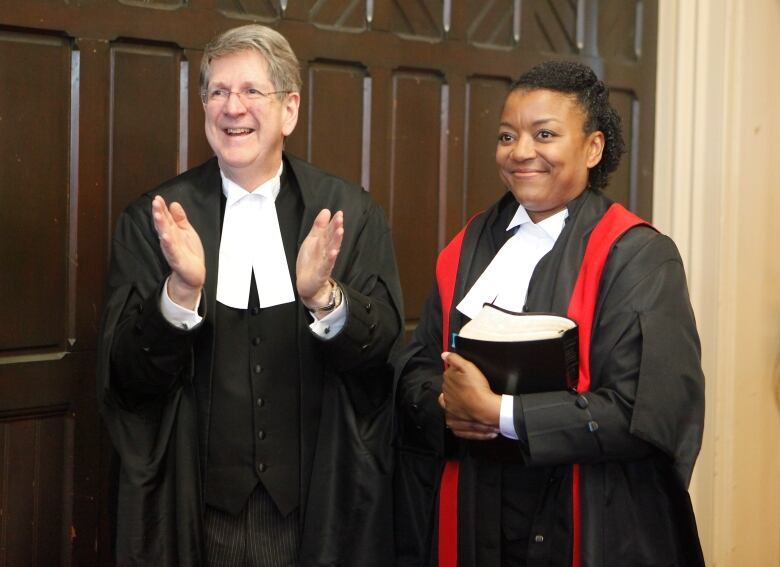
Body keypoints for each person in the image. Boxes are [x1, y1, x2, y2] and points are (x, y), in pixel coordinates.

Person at [97, 24, 403, 567]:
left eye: (250, 91)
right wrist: (179, 294)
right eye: (217, 92)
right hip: (195, 510)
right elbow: (126, 378)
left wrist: (323, 296)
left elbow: (381, 361)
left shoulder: (348, 215)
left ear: (289, 110)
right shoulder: (158, 219)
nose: (231, 107)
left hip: (313, 509)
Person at [394, 60, 705, 567]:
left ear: (593, 147)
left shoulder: (639, 256)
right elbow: (417, 368)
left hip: (589, 522)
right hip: (476, 515)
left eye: (544, 134)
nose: (521, 152)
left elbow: (643, 412)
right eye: (506, 136)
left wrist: (499, 413)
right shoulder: (467, 246)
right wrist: (446, 403)